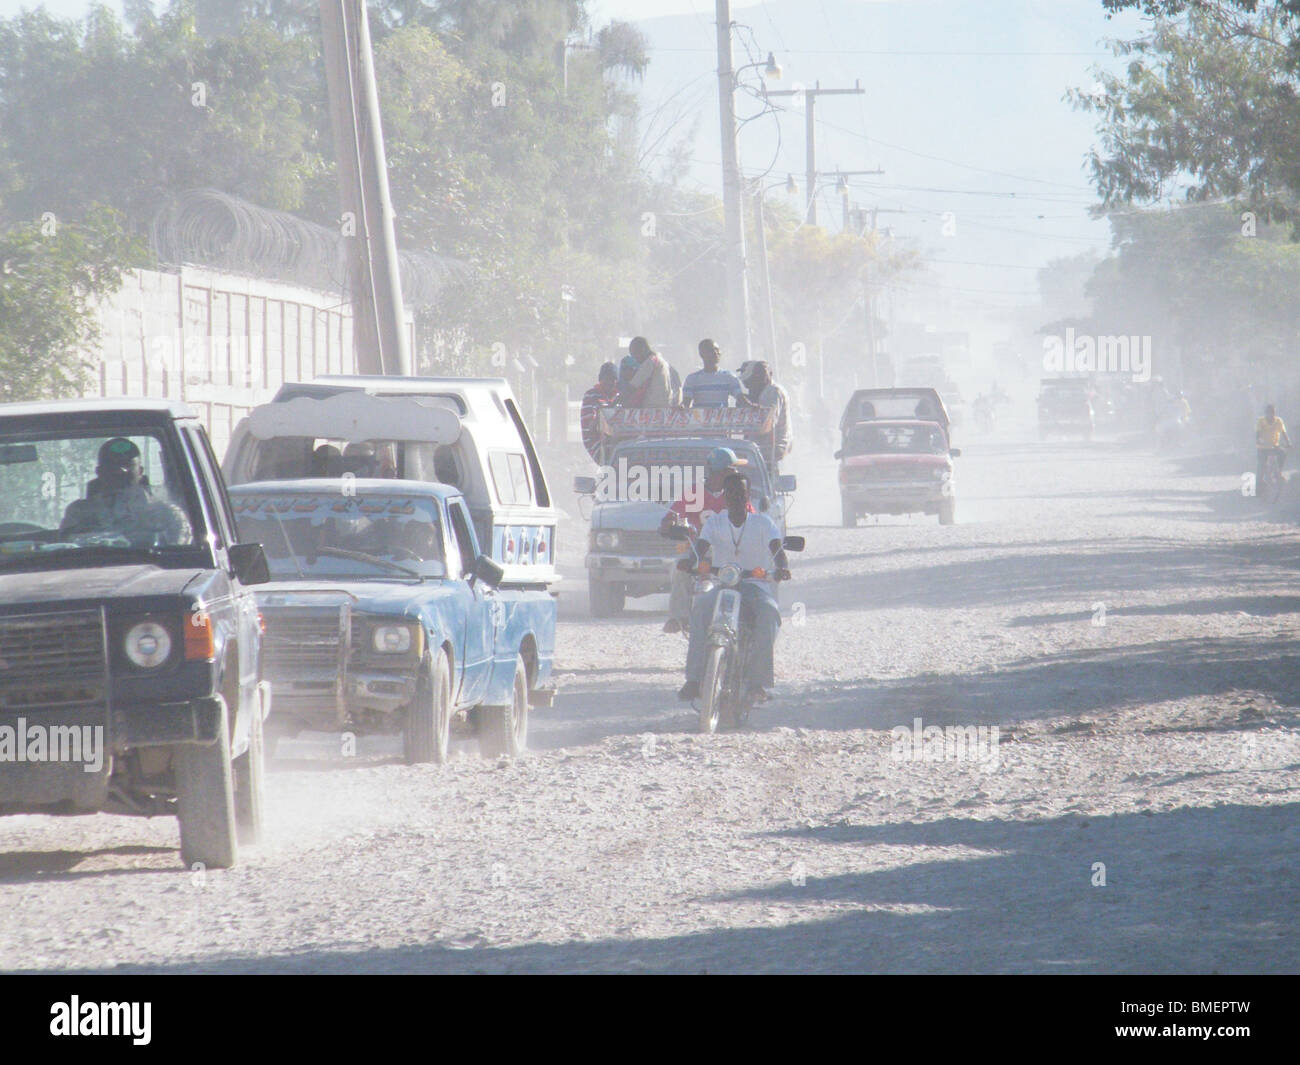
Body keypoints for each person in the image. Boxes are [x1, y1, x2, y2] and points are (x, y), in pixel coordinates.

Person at [678, 473, 788, 704]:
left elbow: (777, 549)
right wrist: (691, 561)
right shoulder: (714, 523)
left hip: (755, 587)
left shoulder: (763, 523)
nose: (736, 497)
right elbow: (699, 548)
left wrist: (781, 567)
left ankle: (758, 683)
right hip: (723, 586)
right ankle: (694, 680)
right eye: (731, 493)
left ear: (748, 495)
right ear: (724, 497)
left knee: (769, 614)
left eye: (741, 492)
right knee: (700, 610)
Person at [658, 447, 752, 634]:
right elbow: (670, 518)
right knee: (680, 568)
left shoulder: (736, 493)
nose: (736, 473)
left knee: (751, 575)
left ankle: (749, 615)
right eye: (732, 469)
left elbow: (751, 517)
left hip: (731, 549)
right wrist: (670, 525)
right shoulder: (694, 492)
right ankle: (678, 617)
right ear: (723, 472)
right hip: (699, 549)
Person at [60, 437, 191, 547]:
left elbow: (181, 558)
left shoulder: (166, 515)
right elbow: (65, 551)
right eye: (112, 465)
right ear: (99, 472)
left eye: (128, 465)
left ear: (140, 471)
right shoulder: (80, 513)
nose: (121, 470)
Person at [742, 361, 792, 465]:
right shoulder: (764, 392)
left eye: (762, 374)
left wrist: (750, 407)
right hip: (765, 446)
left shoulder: (772, 392)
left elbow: (767, 423)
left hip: (772, 447)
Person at [682, 339, 748, 408]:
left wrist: (753, 406)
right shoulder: (692, 379)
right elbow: (686, 403)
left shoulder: (729, 377)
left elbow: (741, 398)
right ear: (701, 354)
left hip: (722, 418)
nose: (715, 352)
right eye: (711, 350)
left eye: (717, 349)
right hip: (700, 418)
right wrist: (680, 407)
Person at [580, 362, 620, 462]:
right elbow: (590, 428)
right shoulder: (591, 395)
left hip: (617, 443)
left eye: (613, 379)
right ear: (600, 379)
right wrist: (601, 415)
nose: (609, 382)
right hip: (596, 443)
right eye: (606, 379)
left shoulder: (619, 396)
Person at [623, 336, 673, 408]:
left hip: (652, 408)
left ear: (642, 350)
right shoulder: (661, 360)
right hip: (665, 406)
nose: (636, 359)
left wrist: (614, 404)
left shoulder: (650, 362)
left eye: (635, 355)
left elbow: (632, 387)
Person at [1256, 404, 1292, 487]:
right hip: (1263, 448)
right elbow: (1258, 433)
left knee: (1282, 453)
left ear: (1274, 413)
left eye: (1272, 413)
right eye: (1268, 413)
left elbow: (1283, 432)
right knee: (1261, 465)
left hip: (1274, 446)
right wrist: (1259, 440)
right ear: (1266, 414)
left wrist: (1288, 442)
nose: (1270, 415)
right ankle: (1259, 484)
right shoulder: (1260, 421)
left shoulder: (1278, 421)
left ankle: (1278, 472)